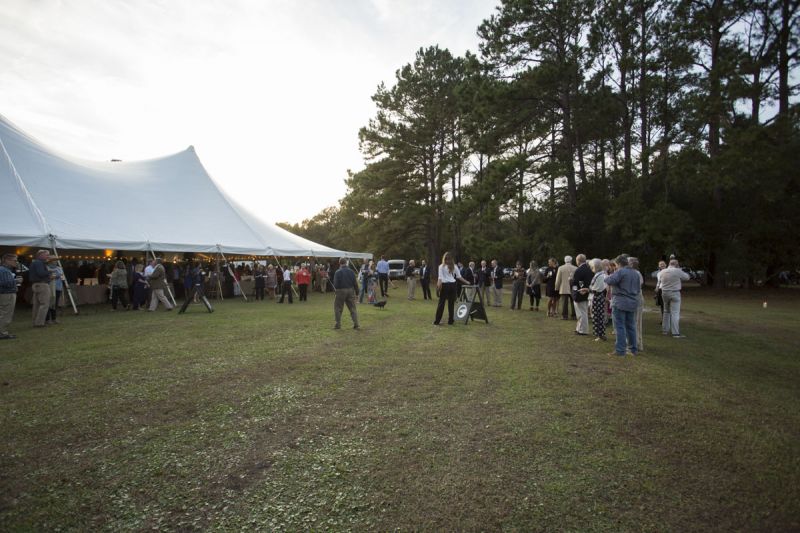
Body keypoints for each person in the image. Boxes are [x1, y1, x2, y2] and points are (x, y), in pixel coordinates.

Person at [604, 254, 641, 356]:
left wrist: (608, 275)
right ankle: (633, 349)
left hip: (620, 301)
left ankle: (620, 350)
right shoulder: (635, 273)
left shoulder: (620, 271)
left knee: (619, 326)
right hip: (632, 301)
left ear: (618, 263)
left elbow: (609, 280)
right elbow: (638, 289)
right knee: (631, 326)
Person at [433, 251, 470, 326]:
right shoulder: (455, 266)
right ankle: (450, 321)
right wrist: (467, 282)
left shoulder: (441, 266)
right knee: (451, 304)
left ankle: (437, 321)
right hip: (453, 285)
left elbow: (440, 279)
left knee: (441, 303)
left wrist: (438, 289)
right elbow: (459, 277)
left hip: (445, 286)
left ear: (444, 258)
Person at [657, 259, 690, 338]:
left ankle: (665, 330)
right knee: (675, 313)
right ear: (677, 264)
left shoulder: (662, 271)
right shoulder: (677, 271)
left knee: (666, 311)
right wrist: (680, 270)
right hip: (674, 292)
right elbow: (687, 277)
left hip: (664, 292)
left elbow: (659, 280)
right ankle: (675, 333)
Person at [332, 257, 360, 330]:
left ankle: (338, 325)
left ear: (339, 263)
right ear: (346, 263)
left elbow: (336, 284)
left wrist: (336, 291)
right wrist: (357, 292)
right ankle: (356, 324)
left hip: (341, 290)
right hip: (350, 290)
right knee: (352, 308)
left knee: (338, 308)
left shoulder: (338, 272)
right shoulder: (351, 271)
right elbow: (355, 283)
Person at [0, 253, 22, 340]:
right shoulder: (4, 270)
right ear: (7, 260)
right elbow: (6, 283)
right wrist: (16, 281)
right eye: (14, 260)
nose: (16, 262)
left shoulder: (4, 270)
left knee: (3, 313)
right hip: (7, 294)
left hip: (5, 294)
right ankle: (2, 333)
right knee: (6, 313)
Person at [29, 250, 53, 327]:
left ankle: (35, 322)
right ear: (40, 255)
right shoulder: (39, 263)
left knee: (37, 305)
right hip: (42, 284)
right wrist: (49, 272)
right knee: (44, 304)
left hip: (35, 284)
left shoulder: (34, 262)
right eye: (47, 255)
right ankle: (39, 323)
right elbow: (41, 273)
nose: (48, 256)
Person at [571, 254, 594, 335]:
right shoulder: (589, 269)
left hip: (580, 292)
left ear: (578, 261)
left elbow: (575, 283)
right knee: (582, 312)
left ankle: (583, 330)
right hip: (587, 292)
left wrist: (574, 291)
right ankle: (579, 328)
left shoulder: (578, 270)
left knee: (581, 313)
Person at [588, 258, 607, 341]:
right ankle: (600, 334)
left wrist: (587, 290)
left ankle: (600, 335)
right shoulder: (600, 274)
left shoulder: (600, 275)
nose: (591, 268)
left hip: (597, 297)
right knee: (598, 316)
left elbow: (596, 289)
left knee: (597, 316)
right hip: (598, 297)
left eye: (592, 267)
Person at [629, 257, 645, 350]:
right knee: (635, 322)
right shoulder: (635, 273)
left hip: (635, 298)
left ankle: (637, 343)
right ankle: (637, 343)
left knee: (636, 322)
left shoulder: (636, 274)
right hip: (635, 298)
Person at [555, 255, 577, 320]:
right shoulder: (575, 268)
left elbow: (558, 279)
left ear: (565, 261)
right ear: (571, 260)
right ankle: (574, 315)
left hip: (563, 287)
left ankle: (565, 316)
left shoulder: (561, 268)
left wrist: (556, 287)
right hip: (573, 287)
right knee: (573, 302)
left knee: (564, 303)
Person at [46, 256, 64, 325]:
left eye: (56, 260)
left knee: (54, 304)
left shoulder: (59, 268)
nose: (56, 261)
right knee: (48, 303)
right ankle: (47, 319)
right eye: (54, 260)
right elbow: (51, 276)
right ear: (50, 261)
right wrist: (55, 275)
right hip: (50, 287)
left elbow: (60, 275)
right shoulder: (47, 268)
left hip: (58, 287)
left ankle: (54, 318)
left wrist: (56, 275)